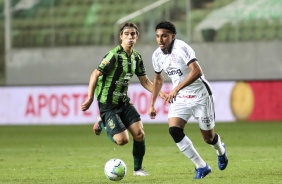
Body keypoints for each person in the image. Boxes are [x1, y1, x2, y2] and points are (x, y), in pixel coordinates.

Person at [80, 22, 165, 176]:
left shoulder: (136, 57)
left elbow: (145, 81)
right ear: (121, 37)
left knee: (139, 134)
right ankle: (101, 121)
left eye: (133, 34)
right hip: (108, 104)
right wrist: (90, 98)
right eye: (126, 34)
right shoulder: (113, 55)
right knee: (122, 140)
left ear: (137, 36)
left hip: (123, 102)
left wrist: (160, 93)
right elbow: (95, 74)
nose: (130, 37)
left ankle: (138, 169)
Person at [148, 21, 228, 179]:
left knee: (208, 138)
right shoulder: (157, 55)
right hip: (181, 99)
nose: (160, 39)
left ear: (173, 36)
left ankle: (221, 150)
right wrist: (152, 104)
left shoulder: (182, 48)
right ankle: (202, 166)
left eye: (164, 35)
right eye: (157, 36)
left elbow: (197, 71)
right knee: (174, 130)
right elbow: (158, 80)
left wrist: (176, 88)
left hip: (200, 95)